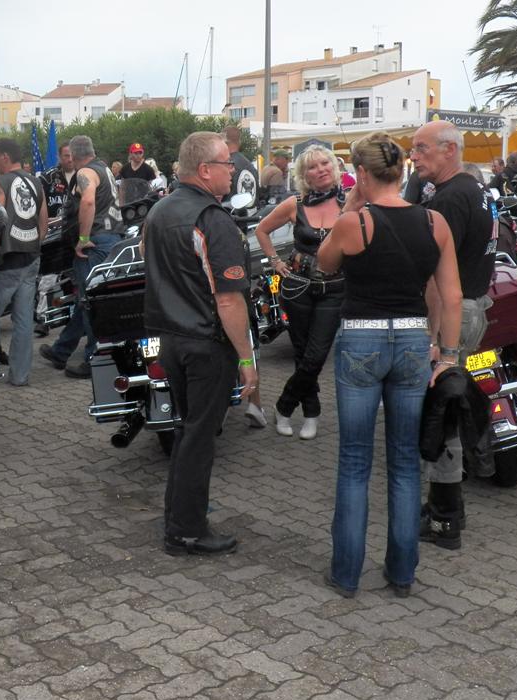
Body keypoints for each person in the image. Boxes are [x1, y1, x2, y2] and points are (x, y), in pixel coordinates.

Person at [315, 132, 462, 598]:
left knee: (355, 461)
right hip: (414, 341)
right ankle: (401, 573)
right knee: (404, 463)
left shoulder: (353, 223)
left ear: (361, 173)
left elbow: (324, 264)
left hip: (361, 337)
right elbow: (452, 295)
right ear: (401, 171)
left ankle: (346, 573)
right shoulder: (435, 221)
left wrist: (350, 206)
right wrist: (449, 354)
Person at [143, 131, 258, 556]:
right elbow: (228, 299)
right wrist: (246, 358)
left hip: (171, 340)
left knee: (187, 430)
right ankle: (187, 530)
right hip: (205, 342)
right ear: (205, 170)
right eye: (227, 163)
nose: (233, 170)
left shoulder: (159, 210)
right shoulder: (212, 219)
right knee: (199, 437)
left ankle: (179, 517)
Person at [409, 120, 498, 551]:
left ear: (449, 149)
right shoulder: (475, 189)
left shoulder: (449, 199)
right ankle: (447, 508)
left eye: (421, 148)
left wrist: (434, 338)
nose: (413, 156)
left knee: (441, 412)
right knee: (450, 406)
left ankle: (445, 517)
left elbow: (437, 278)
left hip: (453, 314)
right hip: (472, 307)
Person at [254, 145, 346, 440]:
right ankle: (311, 413)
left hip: (335, 288)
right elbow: (261, 230)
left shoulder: (350, 203)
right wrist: (275, 261)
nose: (320, 169)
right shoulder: (295, 204)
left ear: (334, 167)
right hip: (297, 287)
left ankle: (284, 404)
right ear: (304, 175)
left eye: (324, 163)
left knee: (316, 355)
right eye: (312, 167)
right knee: (302, 352)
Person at [39, 135, 123, 379]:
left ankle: (94, 360)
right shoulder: (104, 169)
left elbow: (87, 202)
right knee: (85, 300)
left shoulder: (86, 172)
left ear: (74, 156)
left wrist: (83, 238)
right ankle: (61, 350)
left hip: (95, 243)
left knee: (91, 303)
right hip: (111, 239)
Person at [0, 139, 47, 386]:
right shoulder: (35, 181)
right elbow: (44, 220)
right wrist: (33, 244)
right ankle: (19, 375)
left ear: (5, 156)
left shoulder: (0, 183)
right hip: (31, 256)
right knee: (23, 320)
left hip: (8, 260)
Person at [40, 143, 75, 218]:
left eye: (72, 155)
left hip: (76, 223)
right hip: (53, 223)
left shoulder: (82, 174)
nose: (70, 159)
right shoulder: (47, 178)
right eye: (66, 156)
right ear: (59, 157)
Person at [223, 126, 258, 200]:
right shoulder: (250, 166)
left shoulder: (224, 165)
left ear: (223, 142)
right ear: (239, 142)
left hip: (228, 206)